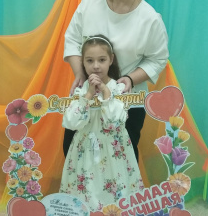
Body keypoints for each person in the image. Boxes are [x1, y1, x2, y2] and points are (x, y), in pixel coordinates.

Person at [63, 0, 169, 161]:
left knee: (122, 159)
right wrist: (80, 74)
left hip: (126, 100)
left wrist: (130, 79)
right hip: (88, 94)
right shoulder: (90, 3)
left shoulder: (150, 18)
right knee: (74, 153)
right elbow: (72, 40)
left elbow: (158, 59)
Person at [59, 35, 144, 211]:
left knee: (115, 185)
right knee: (86, 186)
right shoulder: (80, 90)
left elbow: (115, 123)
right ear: (83, 62)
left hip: (113, 148)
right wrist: (88, 95)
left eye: (102, 60)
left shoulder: (119, 88)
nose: (96, 66)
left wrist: (106, 93)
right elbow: (71, 122)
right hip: (85, 147)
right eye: (90, 60)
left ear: (111, 60)